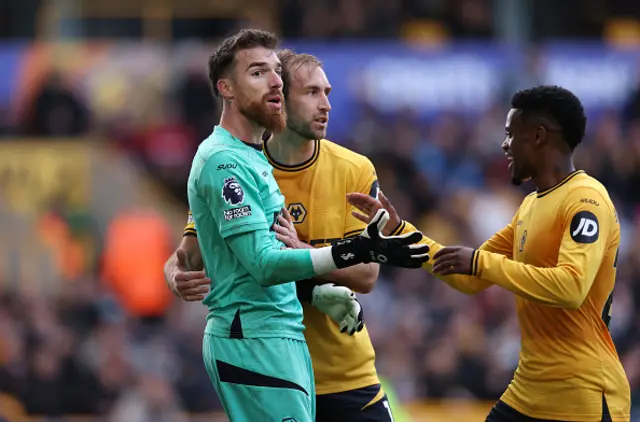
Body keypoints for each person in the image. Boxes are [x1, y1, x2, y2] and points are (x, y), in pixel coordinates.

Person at [170, 29, 430, 422]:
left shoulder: (353, 169)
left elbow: (366, 274)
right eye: (311, 93)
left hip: (345, 373)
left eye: (326, 93)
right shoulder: (236, 167)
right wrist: (173, 273)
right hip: (269, 357)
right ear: (281, 100)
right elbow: (193, 255)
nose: (325, 104)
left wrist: (302, 253)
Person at [347, 85, 631, 422]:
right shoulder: (530, 206)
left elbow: (571, 287)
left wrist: (482, 261)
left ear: (538, 136)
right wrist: (399, 230)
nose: (504, 144)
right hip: (529, 389)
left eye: (511, 134)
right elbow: (468, 276)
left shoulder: (586, 199)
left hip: (583, 394)